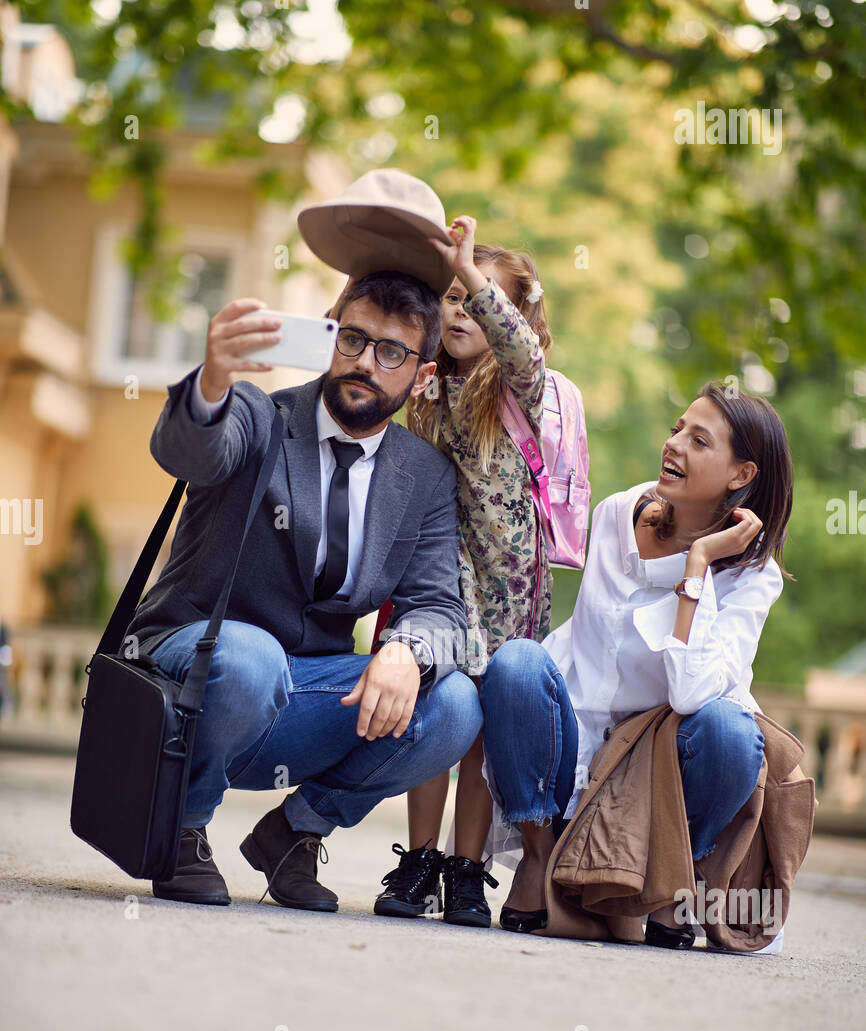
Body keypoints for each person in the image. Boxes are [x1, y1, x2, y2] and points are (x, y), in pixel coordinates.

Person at [122, 271, 481, 910]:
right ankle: (180, 826)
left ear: (422, 376)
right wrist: (211, 381)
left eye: (391, 352)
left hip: (302, 699)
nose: (365, 363)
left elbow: (440, 606)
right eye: (352, 339)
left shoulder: (424, 477)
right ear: (328, 338)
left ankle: (292, 834)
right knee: (253, 659)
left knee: (454, 704)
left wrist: (407, 651)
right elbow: (187, 452)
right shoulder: (262, 415)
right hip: (194, 674)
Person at [479, 382, 794, 947]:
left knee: (729, 732)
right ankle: (538, 857)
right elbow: (593, 661)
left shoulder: (753, 576)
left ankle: (675, 881)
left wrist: (698, 566)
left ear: (740, 475)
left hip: (655, 773)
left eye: (699, 441)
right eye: (678, 429)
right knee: (516, 664)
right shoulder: (616, 514)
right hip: (569, 742)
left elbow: (693, 693)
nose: (674, 445)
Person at [372, 215, 555, 929]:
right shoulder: (427, 388)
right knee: (439, 720)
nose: (458, 308)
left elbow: (516, 345)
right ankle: (419, 859)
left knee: (482, 736)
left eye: (474, 296)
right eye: (448, 295)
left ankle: (466, 870)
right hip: (441, 589)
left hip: (509, 598)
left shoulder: (522, 389)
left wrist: (470, 272)